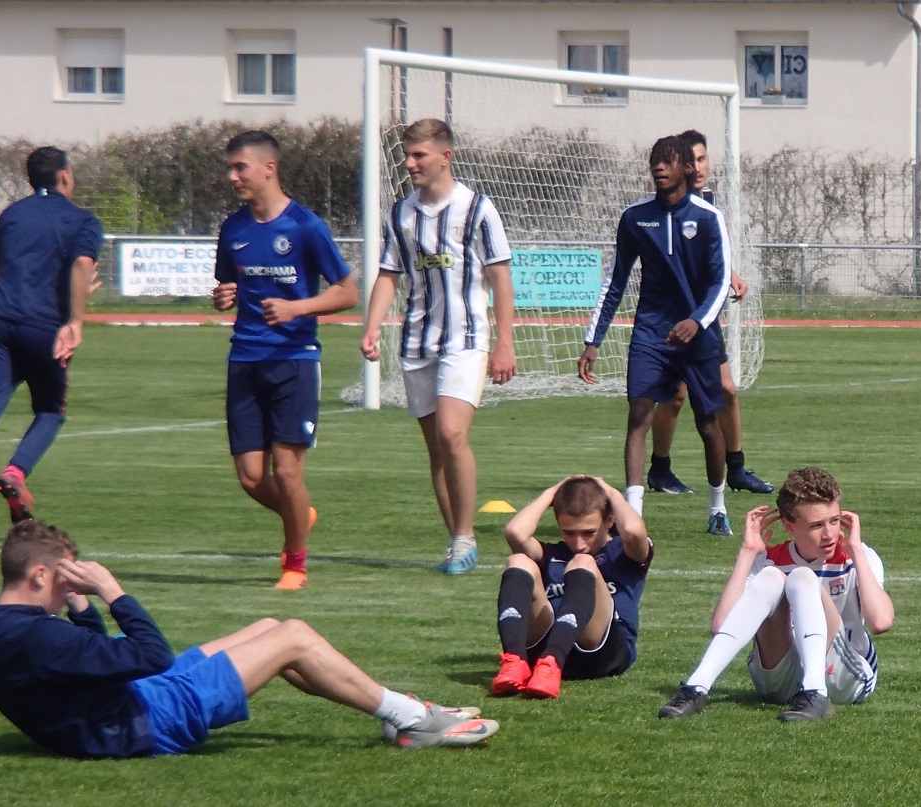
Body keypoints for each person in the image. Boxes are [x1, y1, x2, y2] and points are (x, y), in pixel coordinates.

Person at [0, 521, 497, 758]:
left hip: (129, 702)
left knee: (269, 627)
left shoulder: (11, 627)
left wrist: (78, 605)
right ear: (41, 575)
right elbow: (149, 655)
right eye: (66, 579)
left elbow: (89, 664)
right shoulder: (35, 637)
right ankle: (412, 721)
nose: (71, 588)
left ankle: (398, 710)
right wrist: (113, 593)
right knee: (294, 637)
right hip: (145, 722)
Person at [362, 118, 517, 575]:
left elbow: (501, 278)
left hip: (466, 339)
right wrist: (371, 327)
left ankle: (465, 535)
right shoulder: (401, 214)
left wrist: (505, 343)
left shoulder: (477, 209)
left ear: (445, 157)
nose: (410, 164)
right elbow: (389, 275)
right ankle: (457, 542)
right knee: (437, 449)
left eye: (419, 155)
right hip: (417, 342)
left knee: (452, 434)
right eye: (407, 156)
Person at [211, 131, 358, 590]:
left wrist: (298, 308)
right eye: (230, 168)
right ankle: (300, 514)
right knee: (252, 479)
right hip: (245, 358)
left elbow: (348, 293)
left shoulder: (305, 226)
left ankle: (295, 565)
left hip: (294, 359)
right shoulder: (232, 228)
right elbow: (227, 285)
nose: (232, 176)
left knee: (288, 471)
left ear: (269, 168)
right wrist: (223, 295)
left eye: (240, 167)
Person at [578, 135, 733, 536]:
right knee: (638, 416)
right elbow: (615, 281)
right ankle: (632, 516)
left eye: (668, 160)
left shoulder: (708, 217)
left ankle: (717, 508)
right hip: (651, 333)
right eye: (654, 160)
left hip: (698, 336)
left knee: (708, 425)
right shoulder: (635, 217)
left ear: (686, 168)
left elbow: (720, 283)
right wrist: (593, 340)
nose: (659, 167)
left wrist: (697, 321)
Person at [658, 466, 894, 721]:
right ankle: (696, 687)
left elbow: (880, 622)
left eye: (834, 521)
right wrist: (748, 553)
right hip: (780, 680)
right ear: (789, 526)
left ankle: (815, 692)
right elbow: (720, 627)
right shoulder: (768, 559)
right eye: (816, 525)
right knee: (771, 576)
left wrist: (856, 552)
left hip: (844, 678)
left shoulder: (858, 555)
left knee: (802, 577)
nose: (829, 534)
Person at [646, 130, 772, 498]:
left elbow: (709, 255)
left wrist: (730, 275)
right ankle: (659, 469)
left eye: (702, 159)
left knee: (727, 390)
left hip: (703, 316)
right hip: (672, 316)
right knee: (674, 396)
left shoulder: (708, 203)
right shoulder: (669, 206)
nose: (698, 167)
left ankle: (736, 468)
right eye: (691, 161)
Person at [0, 147, 100, 525]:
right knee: (50, 410)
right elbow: (82, 263)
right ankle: (15, 473)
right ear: (64, 176)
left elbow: (8, 266)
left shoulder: (11, 214)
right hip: (42, 327)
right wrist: (75, 319)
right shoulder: (82, 220)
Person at [492, 475, 651, 699]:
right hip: (545, 648)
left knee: (583, 562)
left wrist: (611, 492)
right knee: (519, 560)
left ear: (609, 521)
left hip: (601, 651)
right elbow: (515, 532)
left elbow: (633, 530)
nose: (578, 544)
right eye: (568, 532)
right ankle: (515, 660)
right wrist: (551, 493)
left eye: (588, 533)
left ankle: (553, 661)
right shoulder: (553, 554)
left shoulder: (623, 553)